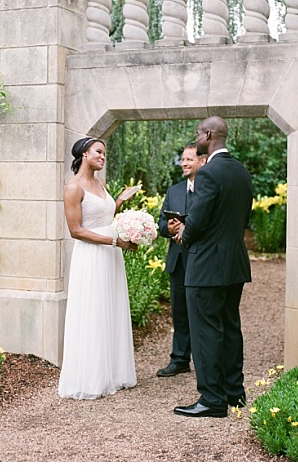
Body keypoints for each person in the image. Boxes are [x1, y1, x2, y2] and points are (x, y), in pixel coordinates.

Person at [172, 116, 253, 418]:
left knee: (205, 331)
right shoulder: (240, 171)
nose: (197, 137)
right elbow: (244, 216)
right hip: (234, 263)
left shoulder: (208, 174)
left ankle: (212, 399)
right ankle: (235, 393)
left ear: (208, 135)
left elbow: (199, 218)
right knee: (230, 327)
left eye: (198, 133)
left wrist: (184, 232)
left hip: (206, 265)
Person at [57, 137, 141, 400]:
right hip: (92, 256)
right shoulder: (73, 188)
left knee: (110, 307)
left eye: (105, 153)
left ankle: (113, 373)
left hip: (110, 256)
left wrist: (118, 202)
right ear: (84, 153)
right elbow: (77, 230)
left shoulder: (100, 184)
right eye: (99, 152)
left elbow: (103, 218)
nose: (103, 157)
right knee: (92, 310)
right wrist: (116, 241)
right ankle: (91, 378)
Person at [155, 143, 206, 378]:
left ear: (202, 161)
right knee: (179, 313)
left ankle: (205, 362)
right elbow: (161, 225)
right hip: (178, 262)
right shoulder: (173, 191)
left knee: (202, 311)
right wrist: (170, 227)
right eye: (183, 159)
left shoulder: (208, 189)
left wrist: (188, 229)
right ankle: (179, 360)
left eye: (189, 159)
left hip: (201, 260)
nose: (184, 163)